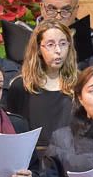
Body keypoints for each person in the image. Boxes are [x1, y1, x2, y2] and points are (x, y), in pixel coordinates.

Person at [6, 20, 77, 150]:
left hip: (71, 158)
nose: (58, 50)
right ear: (38, 49)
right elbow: (13, 130)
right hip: (33, 159)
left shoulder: (79, 84)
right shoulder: (21, 86)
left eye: (63, 44)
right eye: (50, 44)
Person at [39, 0, 93, 69]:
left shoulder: (87, 36)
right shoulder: (28, 33)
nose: (58, 17)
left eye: (66, 10)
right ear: (42, 8)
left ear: (76, 10)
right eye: (52, 9)